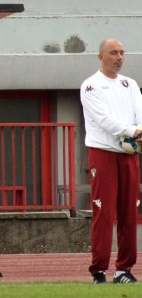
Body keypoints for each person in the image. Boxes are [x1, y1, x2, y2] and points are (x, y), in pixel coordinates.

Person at [81, 38, 142, 283]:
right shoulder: (91, 86)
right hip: (103, 153)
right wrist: (132, 131)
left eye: (122, 52)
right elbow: (102, 120)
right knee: (103, 212)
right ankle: (99, 270)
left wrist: (139, 131)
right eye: (113, 52)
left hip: (128, 154)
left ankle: (123, 270)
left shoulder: (131, 84)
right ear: (101, 57)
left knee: (129, 212)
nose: (119, 57)